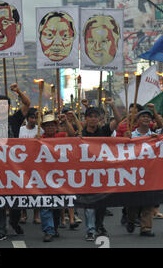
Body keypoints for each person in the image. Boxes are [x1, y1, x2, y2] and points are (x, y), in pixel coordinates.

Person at [0, 83, 31, 241]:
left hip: (14, 165)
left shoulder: (15, 119)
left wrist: (18, 91)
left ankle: (14, 221)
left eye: (5, 105)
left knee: (16, 198)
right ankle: (0, 229)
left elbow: (27, 104)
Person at [79, 102, 121, 241]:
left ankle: (99, 225)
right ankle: (90, 230)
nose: (92, 119)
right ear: (85, 119)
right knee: (89, 203)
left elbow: (118, 121)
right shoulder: (81, 134)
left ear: (99, 118)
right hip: (87, 174)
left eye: (95, 116)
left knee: (102, 203)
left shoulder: (104, 130)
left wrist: (113, 106)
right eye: (90, 116)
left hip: (102, 173)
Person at [37, 113, 76, 242]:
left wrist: (66, 121)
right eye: (47, 125)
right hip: (43, 176)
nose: (50, 128)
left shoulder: (60, 136)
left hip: (59, 176)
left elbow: (72, 135)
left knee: (57, 204)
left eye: (52, 125)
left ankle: (54, 228)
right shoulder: (39, 138)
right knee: (45, 203)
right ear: (43, 127)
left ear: (56, 126)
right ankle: (48, 230)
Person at [124, 109, 158, 237]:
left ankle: (146, 228)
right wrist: (126, 139)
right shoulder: (131, 135)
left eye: (148, 117)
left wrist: (158, 139)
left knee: (149, 200)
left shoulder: (154, 136)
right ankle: (131, 220)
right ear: (137, 120)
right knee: (133, 201)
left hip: (150, 172)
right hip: (133, 172)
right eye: (143, 116)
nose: (145, 118)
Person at [18, 108, 43, 225]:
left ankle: (36, 215)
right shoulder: (21, 129)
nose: (33, 120)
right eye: (31, 117)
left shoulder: (40, 130)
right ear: (27, 119)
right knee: (23, 189)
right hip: (22, 163)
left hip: (36, 163)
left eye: (35, 118)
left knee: (36, 189)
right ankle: (23, 214)